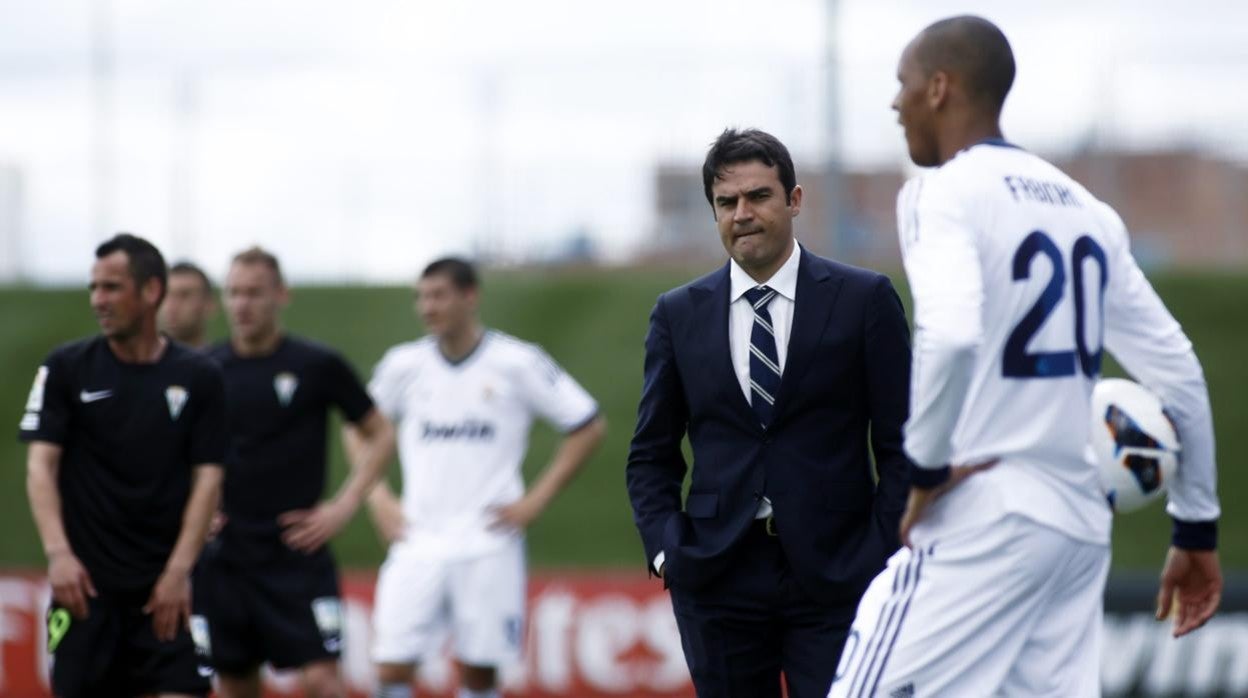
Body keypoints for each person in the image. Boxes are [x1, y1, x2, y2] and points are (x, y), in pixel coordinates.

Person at [828, 16, 1222, 697]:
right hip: (1075, 524)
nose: (895, 104)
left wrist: (922, 468)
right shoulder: (1089, 211)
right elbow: (1178, 369)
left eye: (904, 85)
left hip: (984, 511)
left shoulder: (941, 191)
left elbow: (949, 334)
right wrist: (1196, 525)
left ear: (940, 88)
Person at [626, 128, 913, 697]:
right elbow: (651, 455)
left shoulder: (864, 300)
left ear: (795, 200)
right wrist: (668, 553)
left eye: (758, 196)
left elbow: (904, 443)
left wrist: (880, 552)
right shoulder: (678, 314)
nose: (742, 214)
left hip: (839, 573)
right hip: (716, 576)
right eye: (726, 202)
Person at [358, 257, 606, 698]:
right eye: (421, 296)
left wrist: (535, 500)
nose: (426, 306)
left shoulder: (517, 362)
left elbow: (587, 424)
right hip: (417, 538)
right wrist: (376, 494)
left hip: (488, 541)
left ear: (470, 296)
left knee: (479, 673)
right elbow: (357, 426)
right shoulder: (403, 365)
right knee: (391, 665)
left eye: (438, 295)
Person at [19, 233, 226, 697]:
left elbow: (209, 475)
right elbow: (40, 467)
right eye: (94, 288)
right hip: (86, 594)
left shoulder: (199, 377)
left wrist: (178, 571)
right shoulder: (66, 368)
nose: (99, 300)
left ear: (151, 291)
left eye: (111, 287)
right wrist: (58, 555)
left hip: (166, 596)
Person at [193, 247, 394, 698]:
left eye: (254, 293)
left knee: (323, 680)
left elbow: (380, 434)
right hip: (226, 558)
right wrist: (194, 509)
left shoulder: (317, 365)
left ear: (281, 295)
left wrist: (343, 506)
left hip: (297, 556)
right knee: (235, 683)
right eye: (234, 293)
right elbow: (174, 449)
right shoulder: (204, 370)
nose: (242, 304)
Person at [160, 261, 217, 349]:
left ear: (209, 305)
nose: (172, 305)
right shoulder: (141, 360)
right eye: (166, 295)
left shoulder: (222, 361)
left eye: (184, 295)